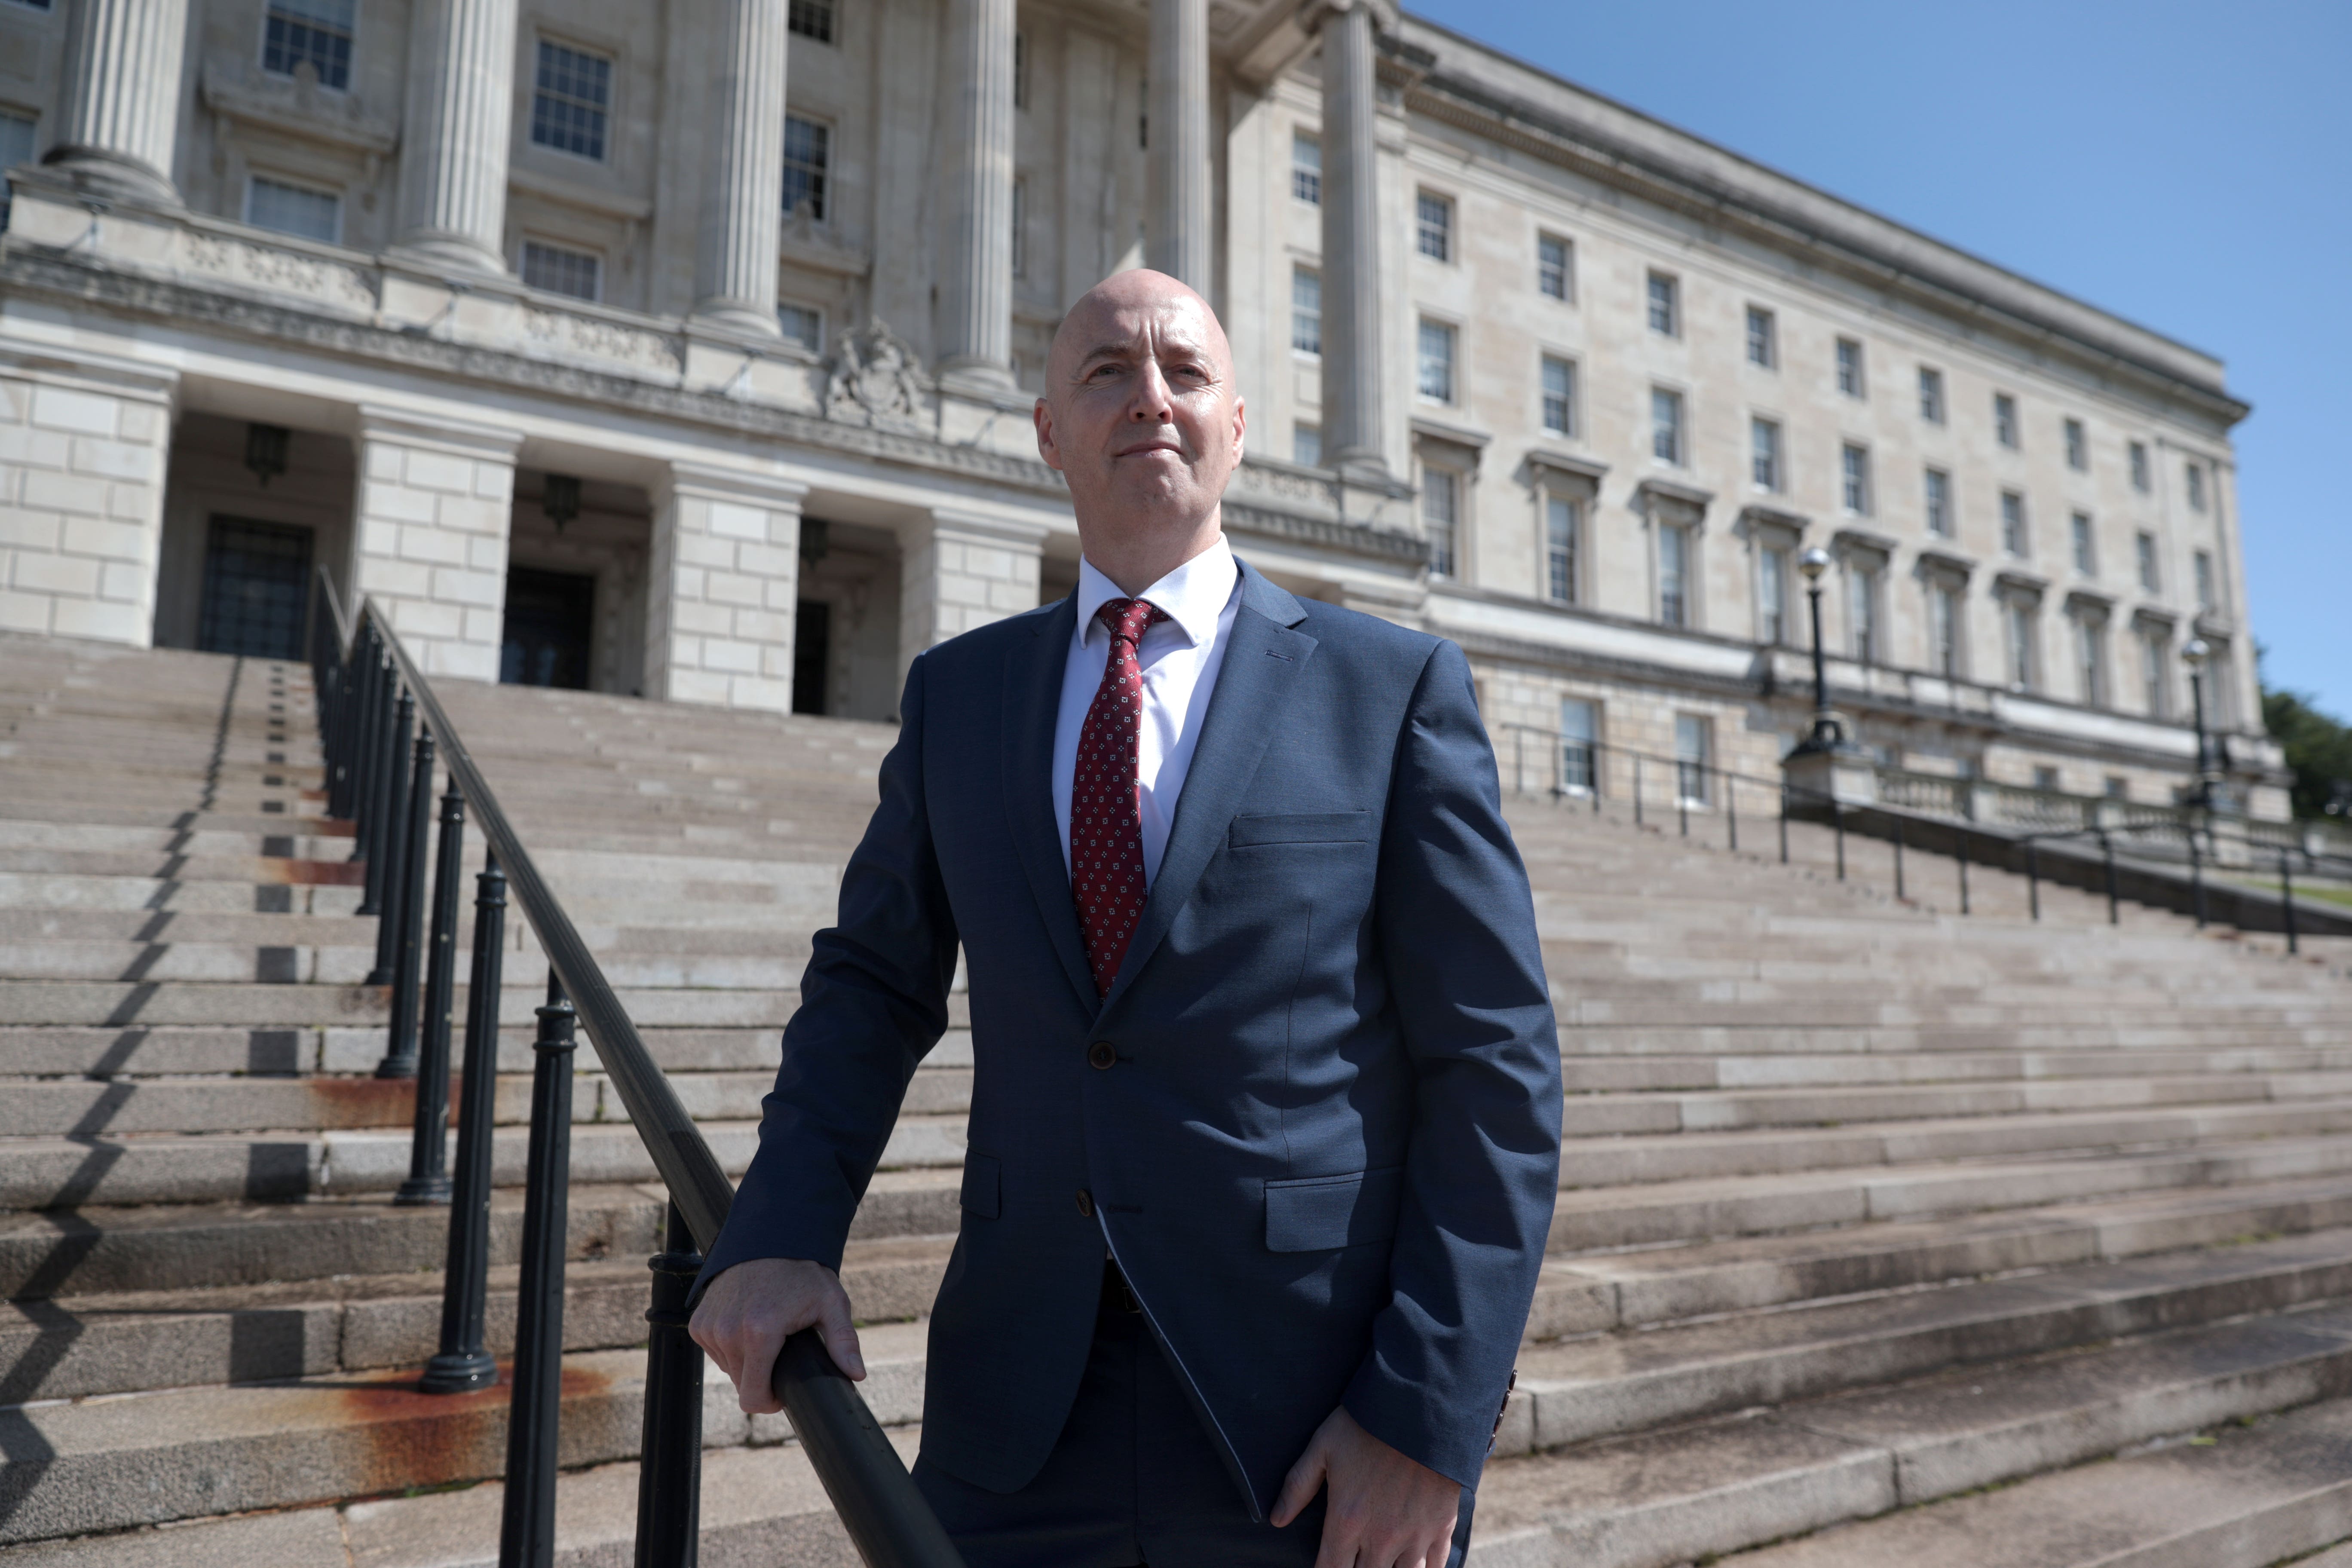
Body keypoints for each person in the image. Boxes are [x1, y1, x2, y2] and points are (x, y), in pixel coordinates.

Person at [690, 269, 1562, 1568]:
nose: (1150, 397)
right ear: (1048, 429)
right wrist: (777, 1233)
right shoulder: (958, 697)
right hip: (1016, 1418)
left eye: (1184, 372)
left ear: (1237, 423)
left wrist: (1428, 1415)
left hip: (1313, 1425)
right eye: (1107, 371)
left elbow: (1494, 1067)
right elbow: (871, 987)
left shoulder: (1392, 690)